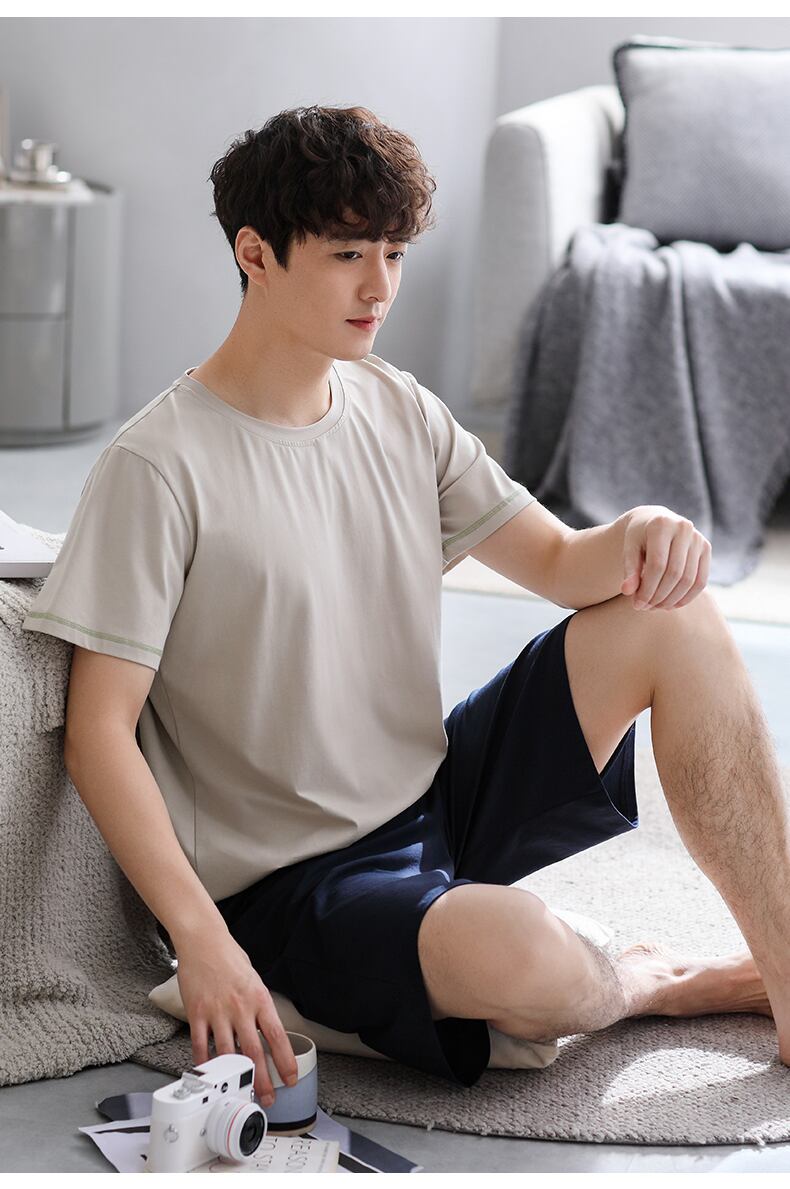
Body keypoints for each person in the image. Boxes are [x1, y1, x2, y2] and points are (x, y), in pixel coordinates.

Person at [22, 104, 788, 1108]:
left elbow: (563, 563)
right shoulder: (158, 467)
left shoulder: (399, 408)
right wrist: (201, 938)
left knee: (672, 615)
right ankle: (656, 981)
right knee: (526, 958)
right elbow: (98, 733)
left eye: (393, 253)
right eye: (347, 254)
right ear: (255, 254)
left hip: (433, 795)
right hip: (296, 887)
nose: (379, 286)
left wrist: (644, 527)